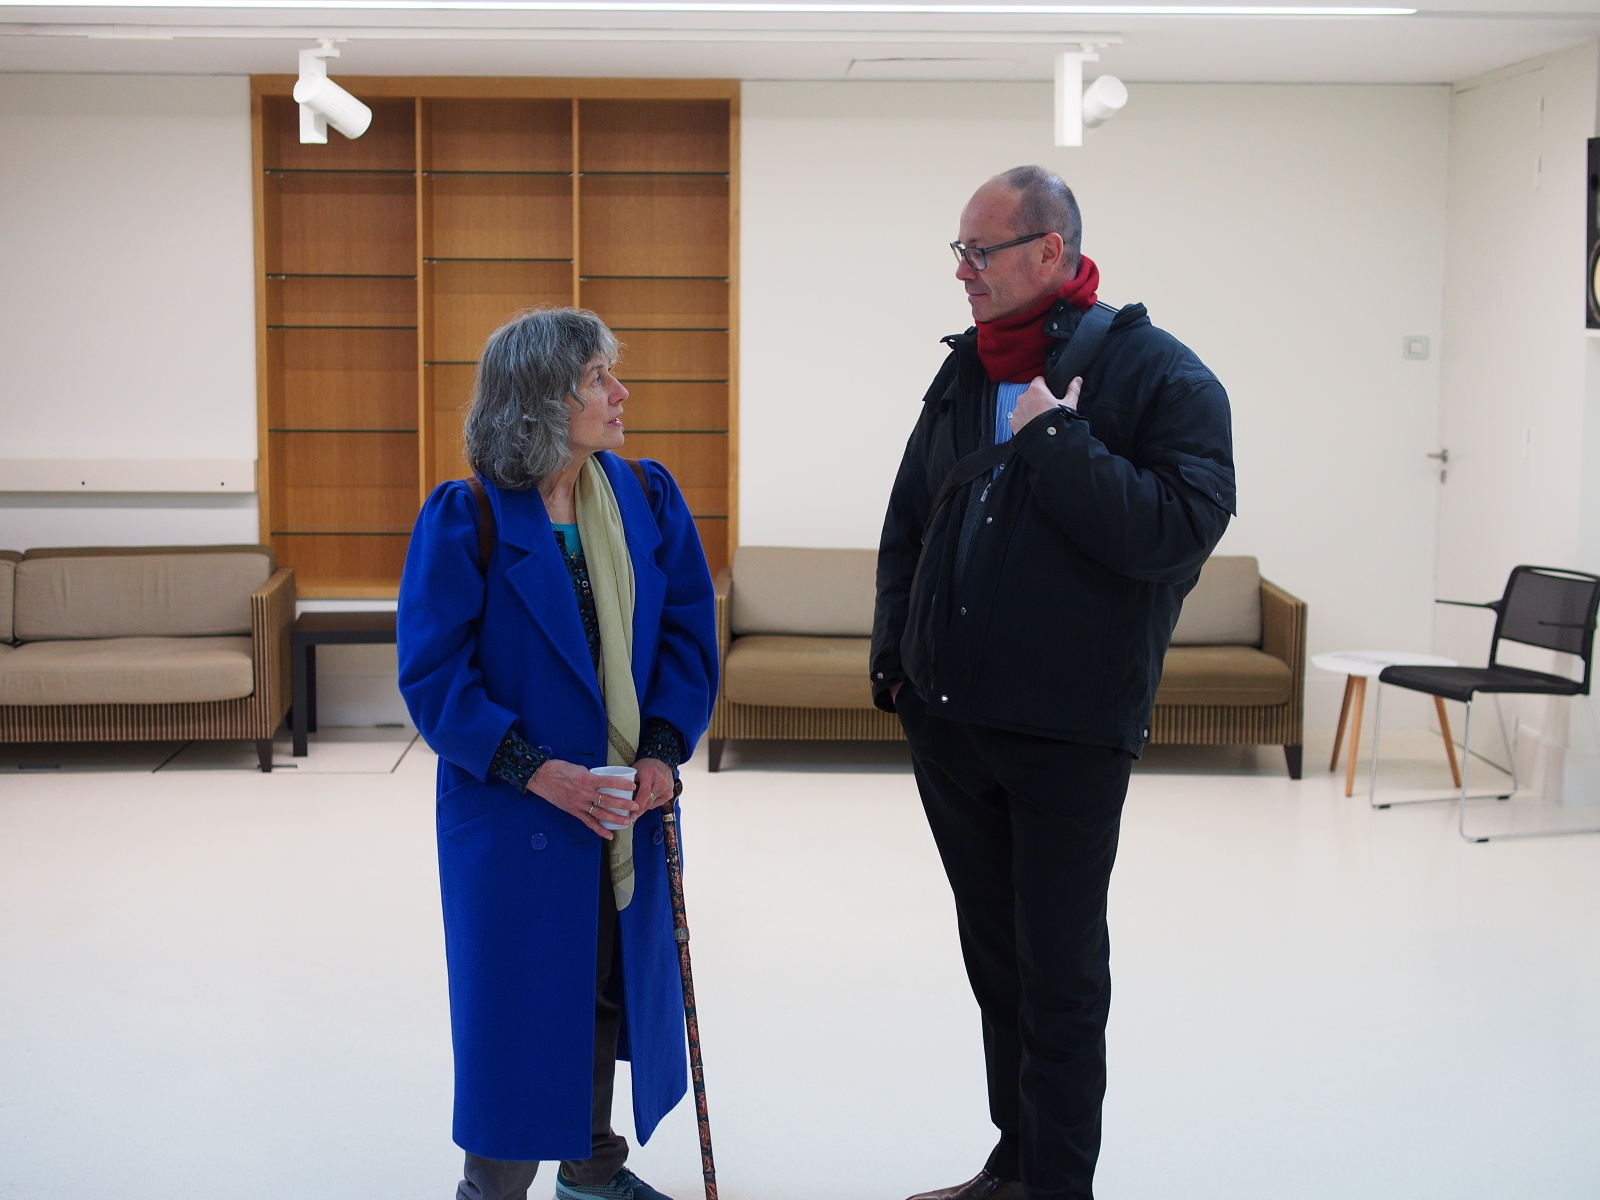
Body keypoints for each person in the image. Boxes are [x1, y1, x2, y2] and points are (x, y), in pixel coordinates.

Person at [872, 166, 1235, 1200]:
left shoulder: (1164, 377)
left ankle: (1058, 1184)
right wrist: (896, 667)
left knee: (1061, 976)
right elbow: (911, 519)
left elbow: (1173, 534)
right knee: (997, 965)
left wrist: (1054, 436)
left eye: (978, 252)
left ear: (1049, 249)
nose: (962, 271)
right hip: (952, 726)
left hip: (1068, 734)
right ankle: (1016, 1164)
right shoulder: (965, 370)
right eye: (958, 251)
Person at [397, 307, 718, 1200]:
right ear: (542, 400)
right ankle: (492, 1190)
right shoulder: (466, 516)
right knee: (518, 1012)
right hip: (512, 811)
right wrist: (538, 771)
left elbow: (687, 635)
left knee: (604, 989)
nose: (621, 393)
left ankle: (592, 1174)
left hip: (620, 804)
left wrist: (661, 752)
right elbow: (434, 677)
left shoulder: (646, 496)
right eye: (597, 380)